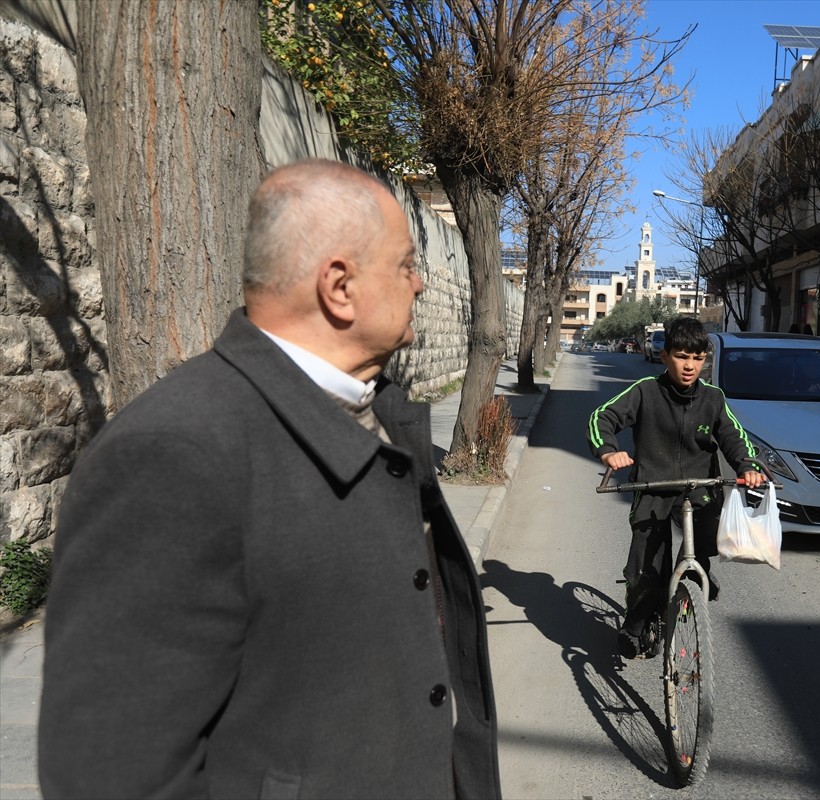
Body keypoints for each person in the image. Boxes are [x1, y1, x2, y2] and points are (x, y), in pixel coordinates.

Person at [38, 160, 501, 799]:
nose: (420, 284)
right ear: (339, 286)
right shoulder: (173, 453)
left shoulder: (374, 409)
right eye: (404, 265)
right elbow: (114, 773)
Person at [587, 317, 765, 659]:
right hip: (654, 486)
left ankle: (693, 586)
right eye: (682, 356)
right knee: (647, 571)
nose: (689, 366)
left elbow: (734, 437)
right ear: (665, 355)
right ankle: (636, 623)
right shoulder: (644, 391)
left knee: (703, 553)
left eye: (697, 359)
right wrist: (609, 451)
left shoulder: (713, 398)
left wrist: (749, 466)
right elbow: (602, 418)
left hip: (700, 488)